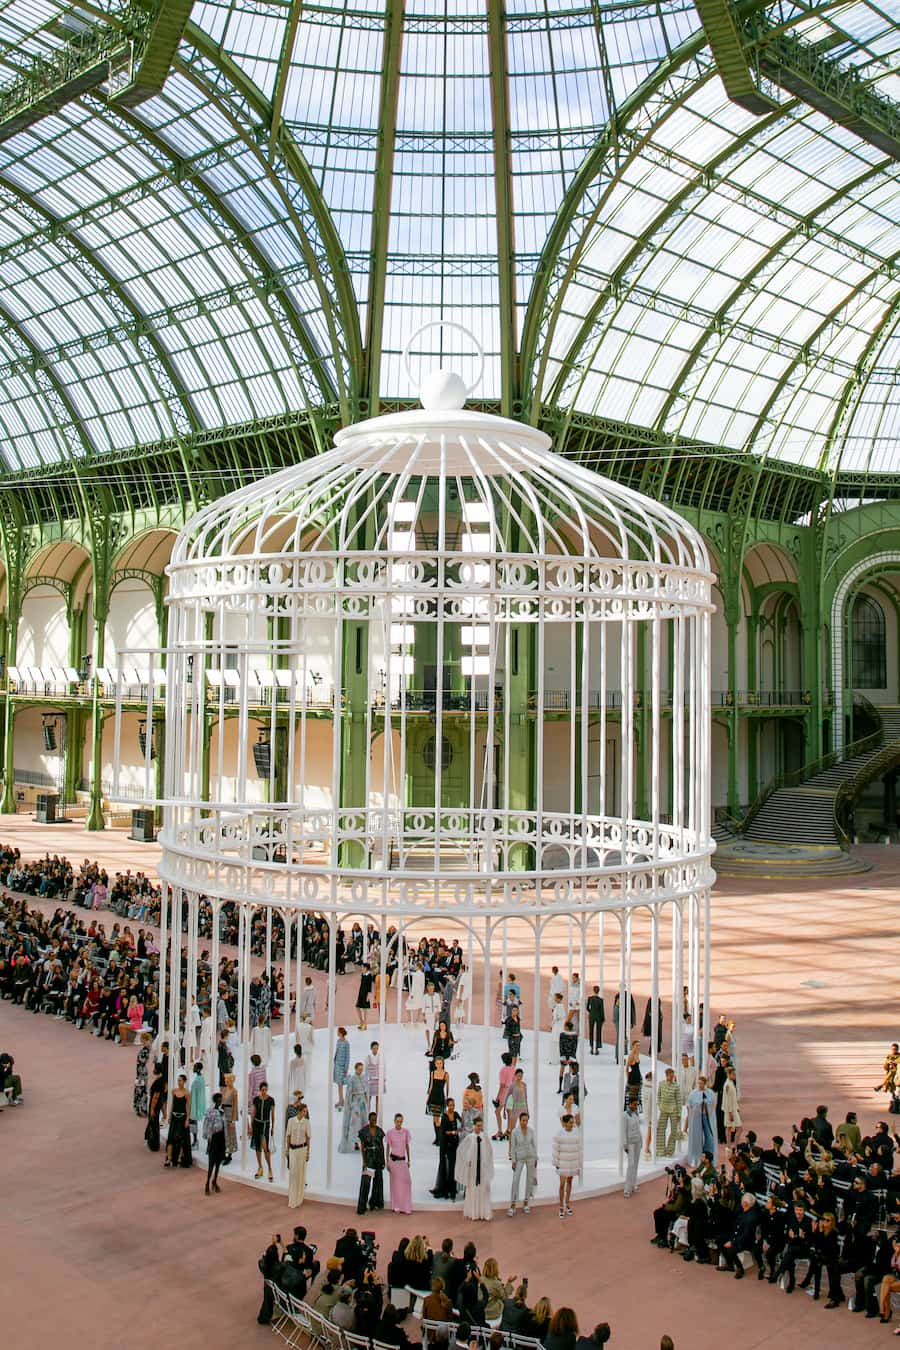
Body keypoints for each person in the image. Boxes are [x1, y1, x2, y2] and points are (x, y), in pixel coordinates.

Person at [458, 1116, 494, 1220]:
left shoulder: (485, 1137)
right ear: (474, 1126)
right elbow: (462, 1150)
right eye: (477, 1126)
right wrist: (467, 1161)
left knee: (483, 1189)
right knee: (473, 1189)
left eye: (481, 1126)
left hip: (482, 1169)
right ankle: (474, 1213)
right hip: (473, 1169)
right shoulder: (470, 1137)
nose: (479, 1127)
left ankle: (483, 1213)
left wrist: (486, 1163)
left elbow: (489, 1151)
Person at [509, 1110, 538, 1216]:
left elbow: (533, 1145)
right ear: (519, 1120)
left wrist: (535, 1158)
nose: (524, 1122)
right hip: (519, 1158)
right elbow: (513, 1148)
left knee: (529, 1180)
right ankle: (512, 1204)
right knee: (515, 1180)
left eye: (526, 1120)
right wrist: (513, 1160)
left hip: (530, 1157)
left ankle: (526, 1202)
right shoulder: (514, 1132)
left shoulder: (531, 1131)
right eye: (523, 1120)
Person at [358, 1111, 386, 1213]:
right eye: (372, 1119)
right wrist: (364, 1161)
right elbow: (362, 1147)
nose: (374, 1121)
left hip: (378, 1159)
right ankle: (362, 1206)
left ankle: (374, 1203)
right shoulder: (364, 1131)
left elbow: (382, 1147)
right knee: (366, 1183)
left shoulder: (379, 1131)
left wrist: (383, 1161)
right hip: (369, 1160)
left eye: (375, 1119)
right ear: (369, 1119)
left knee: (378, 1183)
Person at [433, 1097, 462, 1199]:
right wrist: (452, 1132)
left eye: (453, 1105)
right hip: (448, 1146)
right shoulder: (444, 1117)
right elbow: (443, 1131)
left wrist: (459, 1130)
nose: (452, 1107)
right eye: (450, 1105)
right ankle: (449, 1190)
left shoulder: (456, 1114)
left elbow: (461, 1124)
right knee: (449, 1168)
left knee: (454, 1168)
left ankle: (453, 1189)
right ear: (447, 1106)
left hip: (455, 1145)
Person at [553, 1112, 580, 1217]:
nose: (572, 1124)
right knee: (562, 1184)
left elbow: (578, 1149)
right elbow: (556, 1149)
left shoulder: (576, 1133)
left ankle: (567, 1204)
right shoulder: (559, 1133)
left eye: (573, 1122)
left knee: (570, 1182)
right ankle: (561, 1207)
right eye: (570, 1122)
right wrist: (556, 1162)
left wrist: (578, 1163)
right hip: (563, 1162)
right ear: (565, 1123)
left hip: (572, 1162)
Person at [685, 1076, 716, 1165]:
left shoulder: (710, 1093)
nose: (700, 1085)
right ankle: (696, 1158)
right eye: (699, 1083)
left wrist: (709, 1110)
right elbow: (689, 1105)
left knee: (709, 1137)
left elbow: (713, 1104)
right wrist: (691, 1114)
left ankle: (709, 1156)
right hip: (696, 1117)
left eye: (701, 1083)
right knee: (696, 1137)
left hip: (706, 1116)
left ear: (705, 1083)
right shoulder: (693, 1093)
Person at [339, 1061, 369, 1152]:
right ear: (356, 1069)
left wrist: (366, 1099)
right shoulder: (352, 1079)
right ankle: (355, 1142)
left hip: (363, 1103)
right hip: (355, 1103)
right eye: (359, 1069)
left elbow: (366, 1089)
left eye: (362, 1069)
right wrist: (350, 1104)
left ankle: (363, 1142)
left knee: (364, 1123)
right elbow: (349, 1093)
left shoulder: (364, 1078)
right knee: (356, 1124)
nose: (361, 1071)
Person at [386, 1111, 413, 1213]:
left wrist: (409, 1159)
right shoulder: (390, 1132)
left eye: (401, 1121)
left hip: (402, 1161)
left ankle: (406, 1207)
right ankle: (396, 1206)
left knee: (407, 1182)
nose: (399, 1123)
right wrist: (387, 1162)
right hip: (393, 1161)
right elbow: (387, 1147)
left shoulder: (406, 1132)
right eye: (397, 1121)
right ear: (394, 1121)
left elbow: (407, 1146)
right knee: (395, 1185)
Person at [286, 1102, 311, 1208]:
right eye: (304, 1111)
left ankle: (299, 1199)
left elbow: (308, 1137)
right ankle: (292, 1198)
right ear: (299, 1111)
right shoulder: (291, 1121)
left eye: (306, 1111)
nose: (305, 1113)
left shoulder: (307, 1122)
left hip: (302, 1149)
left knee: (301, 1174)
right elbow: (288, 1135)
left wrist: (308, 1152)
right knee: (293, 1173)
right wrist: (287, 1150)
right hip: (292, 1149)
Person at [165, 1072, 192, 1169]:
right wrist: (169, 1116)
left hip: (182, 1117)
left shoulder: (187, 1093)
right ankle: (169, 1158)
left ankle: (180, 1157)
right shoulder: (174, 1091)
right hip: (174, 1117)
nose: (178, 1082)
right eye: (178, 1080)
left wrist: (187, 1119)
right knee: (171, 1138)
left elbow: (188, 1107)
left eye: (180, 1080)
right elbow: (172, 1104)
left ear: (184, 1081)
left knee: (181, 1138)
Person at [250, 1081, 276, 1181]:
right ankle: (260, 1167)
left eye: (265, 1090)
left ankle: (270, 1169)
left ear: (267, 1089)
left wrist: (273, 1127)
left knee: (265, 1148)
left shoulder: (271, 1100)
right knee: (257, 1147)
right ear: (260, 1090)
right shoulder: (256, 1099)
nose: (264, 1091)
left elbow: (273, 1115)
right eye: (262, 1090)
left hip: (265, 1124)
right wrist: (251, 1126)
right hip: (257, 1124)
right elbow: (253, 1113)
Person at [202, 1091, 227, 1194]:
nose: (220, 1101)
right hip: (214, 1139)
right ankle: (207, 1183)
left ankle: (214, 1181)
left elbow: (224, 1127)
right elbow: (207, 1126)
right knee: (211, 1164)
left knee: (218, 1163)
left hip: (221, 1139)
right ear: (215, 1100)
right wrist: (208, 1141)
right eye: (219, 1099)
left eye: (221, 1099)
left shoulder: (222, 1111)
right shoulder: (210, 1112)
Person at [482, 1257, 516, 1327]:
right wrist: (509, 1283)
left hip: (482, 1310)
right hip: (492, 1314)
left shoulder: (481, 1279)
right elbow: (505, 1296)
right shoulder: (496, 1283)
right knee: (505, 1303)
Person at [656, 1067, 681, 1157]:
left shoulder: (676, 1086)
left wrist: (679, 1113)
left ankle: (670, 1150)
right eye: (670, 1075)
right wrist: (660, 1105)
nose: (672, 1077)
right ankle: (660, 1150)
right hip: (663, 1109)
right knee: (660, 1129)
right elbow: (658, 1095)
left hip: (673, 1109)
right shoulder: (661, 1084)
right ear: (667, 1075)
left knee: (674, 1130)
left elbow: (679, 1100)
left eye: (673, 1075)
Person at [427, 1055, 450, 1144]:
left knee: (438, 1119)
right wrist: (428, 1098)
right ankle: (437, 1138)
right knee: (435, 1119)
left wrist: (447, 1099)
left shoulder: (446, 1074)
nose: (439, 1065)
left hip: (440, 1097)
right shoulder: (433, 1073)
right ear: (435, 1064)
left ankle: (440, 1138)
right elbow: (431, 1086)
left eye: (440, 1063)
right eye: (437, 1063)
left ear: (443, 1063)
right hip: (433, 1096)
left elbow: (447, 1088)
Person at [492, 1052, 515, 1141]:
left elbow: (502, 1085)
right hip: (511, 1092)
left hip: (504, 1092)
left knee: (497, 1112)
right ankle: (508, 1130)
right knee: (509, 1112)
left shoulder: (503, 1070)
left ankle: (500, 1131)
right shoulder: (513, 1068)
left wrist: (497, 1096)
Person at [623, 1099, 642, 1197]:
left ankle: (634, 1184)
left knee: (636, 1164)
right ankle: (627, 1188)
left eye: (637, 1105)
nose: (635, 1106)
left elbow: (639, 1128)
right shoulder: (625, 1115)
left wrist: (641, 1142)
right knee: (631, 1165)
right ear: (629, 1104)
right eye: (634, 1104)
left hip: (637, 1141)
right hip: (630, 1143)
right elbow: (623, 1131)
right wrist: (625, 1145)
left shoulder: (636, 1114)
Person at [133, 1030, 152, 1116]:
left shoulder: (146, 1049)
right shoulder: (146, 1048)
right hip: (140, 1071)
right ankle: (139, 1108)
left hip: (142, 1072)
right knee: (140, 1089)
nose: (141, 1041)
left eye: (142, 1039)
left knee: (141, 1090)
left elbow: (143, 1060)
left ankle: (141, 1108)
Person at [221, 1072, 238, 1163]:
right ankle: (223, 1153)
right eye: (225, 1080)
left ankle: (229, 1155)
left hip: (230, 1114)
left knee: (231, 1135)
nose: (226, 1082)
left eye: (228, 1080)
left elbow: (235, 1106)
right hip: (223, 1113)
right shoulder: (224, 1090)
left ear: (232, 1081)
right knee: (224, 1134)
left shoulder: (234, 1091)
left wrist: (233, 1120)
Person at [189, 1060, 206, 1147]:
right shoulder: (200, 1078)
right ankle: (195, 1140)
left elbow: (196, 1094)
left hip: (195, 1104)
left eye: (195, 1067)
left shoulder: (198, 1080)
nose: (193, 1068)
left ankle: (195, 1140)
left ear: (198, 1069)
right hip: (195, 1103)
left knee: (193, 1122)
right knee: (193, 1122)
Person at [333, 1026, 350, 1108]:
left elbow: (347, 1056)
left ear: (341, 1033)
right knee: (338, 1084)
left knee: (340, 1084)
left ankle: (341, 1101)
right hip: (337, 1065)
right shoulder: (338, 1041)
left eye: (338, 1032)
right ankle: (341, 1100)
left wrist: (346, 1068)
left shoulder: (346, 1043)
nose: (337, 1033)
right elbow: (336, 1052)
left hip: (342, 1066)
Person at [367, 1040, 385, 1112]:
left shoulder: (381, 1057)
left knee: (378, 1099)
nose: (375, 1050)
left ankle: (377, 1114)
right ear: (371, 1048)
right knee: (369, 1098)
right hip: (370, 1081)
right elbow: (365, 1069)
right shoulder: (368, 1057)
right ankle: (368, 1114)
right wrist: (366, 1079)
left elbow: (384, 1068)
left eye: (377, 1048)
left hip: (378, 1080)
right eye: (374, 1048)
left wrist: (383, 1078)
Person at [586, 986, 604, 1053]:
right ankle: (597, 1048)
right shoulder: (600, 1000)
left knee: (591, 1031)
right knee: (598, 1032)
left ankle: (591, 1047)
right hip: (599, 1016)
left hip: (591, 1016)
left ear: (593, 990)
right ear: (598, 991)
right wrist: (603, 1018)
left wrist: (591, 1012)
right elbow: (602, 1010)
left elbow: (587, 1008)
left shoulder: (590, 998)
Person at [356, 965, 373, 1029]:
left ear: (366, 968)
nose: (361, 968)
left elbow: (370, 986)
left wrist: (368, 995)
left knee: (364, 1009)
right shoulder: (363, 974)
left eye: (363, 967)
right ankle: (361, 1022)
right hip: (361, 992)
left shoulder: (369, 975)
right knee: (357, 1007)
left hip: (366, 993)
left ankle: (365, 1024)